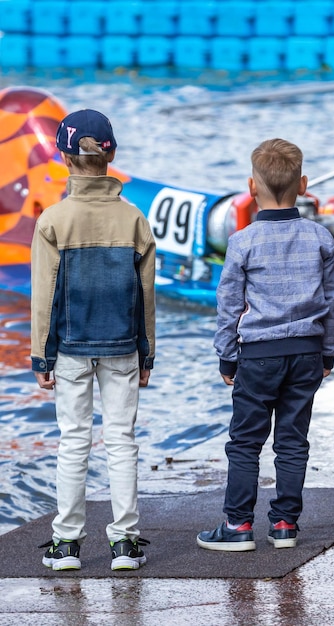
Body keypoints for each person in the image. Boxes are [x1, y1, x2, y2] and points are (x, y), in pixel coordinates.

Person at [197, 138, 334, 552]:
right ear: (304, 185)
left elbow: (228, 304)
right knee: (293, 440)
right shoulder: (320, 237)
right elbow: (332, 302)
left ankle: (238, 525)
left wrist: (227, 354)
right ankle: (284, 524)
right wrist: (328, 351)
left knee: (245, 441)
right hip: (307, 353)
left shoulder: (242, 241)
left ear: (251, 187)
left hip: (258, 356)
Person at [31, 109, 156, 571]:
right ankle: (124, 543)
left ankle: (66, 545)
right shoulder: (134, 220)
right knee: (122, 440)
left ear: (65, 158)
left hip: (69, 348)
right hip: (123, 346)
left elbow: (44, 298)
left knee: (72, 441)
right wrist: (147, 353)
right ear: (112, 156)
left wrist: (40, 356)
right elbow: (146, 299)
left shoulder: (52, 221)